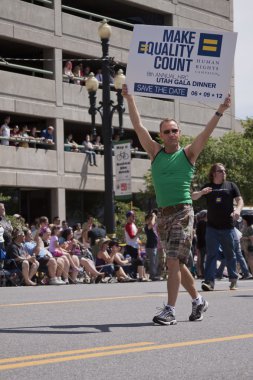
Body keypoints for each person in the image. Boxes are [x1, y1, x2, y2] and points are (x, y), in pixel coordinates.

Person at [122, 84, 231, 325]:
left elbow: (205, 134)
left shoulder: (188, 154)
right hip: (163, 216)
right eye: (167, 131)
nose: (171, 134)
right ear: (161, 135)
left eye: (175, 130)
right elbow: (138, 126)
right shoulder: (155, 152)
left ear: (179, 133)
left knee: (172, 261)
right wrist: (130, 99)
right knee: (177, 264)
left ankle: (169, 310)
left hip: (183, 211)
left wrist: (220, 110)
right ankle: (198, 301)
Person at [192, 163, 243, 291]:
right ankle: (209, 282)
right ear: (214, 173)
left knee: (230, 254)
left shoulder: (231, 186)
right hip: (212, 228)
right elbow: (193, 196)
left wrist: (237, 210)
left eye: (225, 171)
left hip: (228, 227)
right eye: (221, 171)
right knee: (211, 255)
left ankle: (233, 280)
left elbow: (240, 200)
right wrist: (202, 192)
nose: (224, 172)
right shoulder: (208, 187)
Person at [124, 210, 147, 281]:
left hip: (135, 246)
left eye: (134, 216)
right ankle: (140, 277)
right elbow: (132, 236)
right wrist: (138, 232)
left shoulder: (133, 225)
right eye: (132, 216)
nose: (134, 217)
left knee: (139, 261)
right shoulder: (128, 225)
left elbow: (136, 237)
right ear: (128, 217)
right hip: (131, 246)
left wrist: (140, 242)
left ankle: (141, 276)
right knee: (138, 261)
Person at [144, 212, 159, 280]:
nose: (151, 220)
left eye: (151, 219)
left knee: (155, 261)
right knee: (152, 262)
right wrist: (153, 216)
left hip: (154, 246)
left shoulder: (152, 227)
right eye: (149, 219)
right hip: (150, 246)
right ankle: (152, 276)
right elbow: (152, 224)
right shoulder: (147, 227)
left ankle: (154, 274)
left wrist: (155, 217)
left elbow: (154, 223)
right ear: (146, 220)